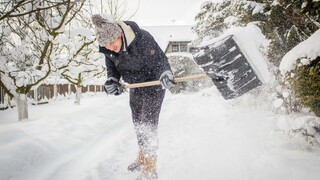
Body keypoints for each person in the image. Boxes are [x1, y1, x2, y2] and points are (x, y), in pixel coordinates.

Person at [91, 14, 175, 179]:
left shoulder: (141, 38)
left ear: (119, 35)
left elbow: (159, 61)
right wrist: (112, 80)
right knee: (138, 122)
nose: (110, 47)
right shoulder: (109, 49)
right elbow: (112, 69)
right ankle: (142, 156)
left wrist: (165, 73)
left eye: (112, 42)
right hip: (135, 87)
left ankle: (150, 167)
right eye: (106, 45)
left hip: (153, 84)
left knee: (148, 123)